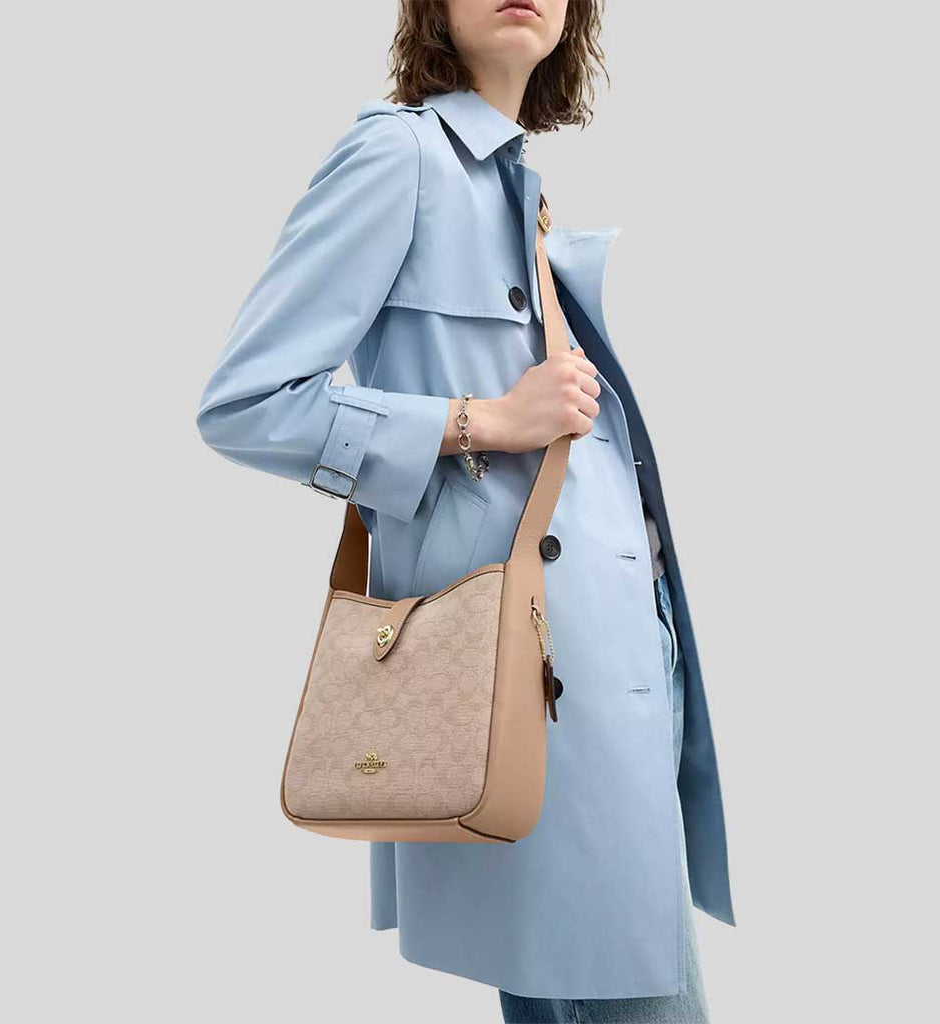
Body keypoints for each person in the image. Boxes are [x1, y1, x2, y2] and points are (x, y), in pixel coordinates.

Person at [196, 1, 733, 1020]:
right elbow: (246, 403)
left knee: (576, 988)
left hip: (613, 660)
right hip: (519, 676)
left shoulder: (515, 187)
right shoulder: (397, 157)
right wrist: (477, 419)